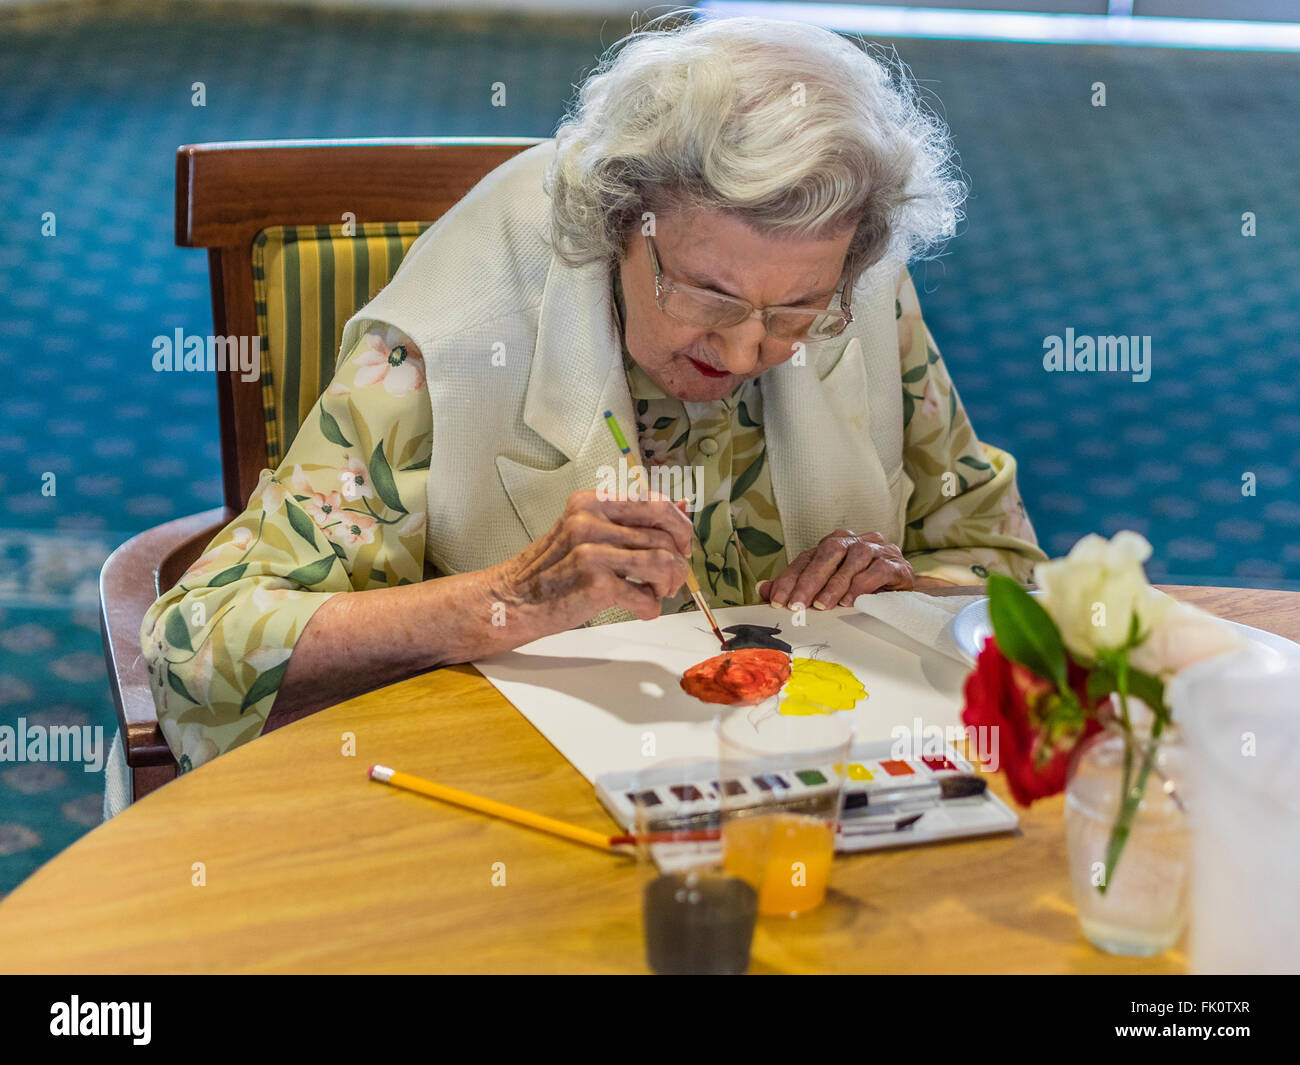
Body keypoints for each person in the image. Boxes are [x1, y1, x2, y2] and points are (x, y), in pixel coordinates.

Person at [137, 13, 1045, 775]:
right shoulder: (447, 342)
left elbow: (1010, 568)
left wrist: (905, 584)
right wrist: (509, 597)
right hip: (518, 799)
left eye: (796, 310)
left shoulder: (862, 287)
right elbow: (199, 645)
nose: (741, 348)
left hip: (803, 776)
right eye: (707, 294)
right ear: (621, 221)